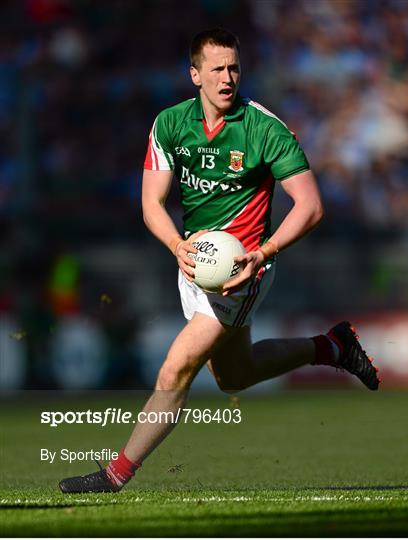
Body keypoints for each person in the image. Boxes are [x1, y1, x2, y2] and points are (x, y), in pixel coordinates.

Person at [59, 28, 379, 493]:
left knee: (176, 367)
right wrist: (175, 245)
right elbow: (152, 203)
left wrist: (263, 253)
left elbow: (310, 205)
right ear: (195, 75)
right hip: (193, 263)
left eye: (234, 68)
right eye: (217, 69)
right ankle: (330, 346)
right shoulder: (169, 124)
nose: (227, 77)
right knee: (235, 372)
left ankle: (115, 474)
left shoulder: (264, 128)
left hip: (242, 271)